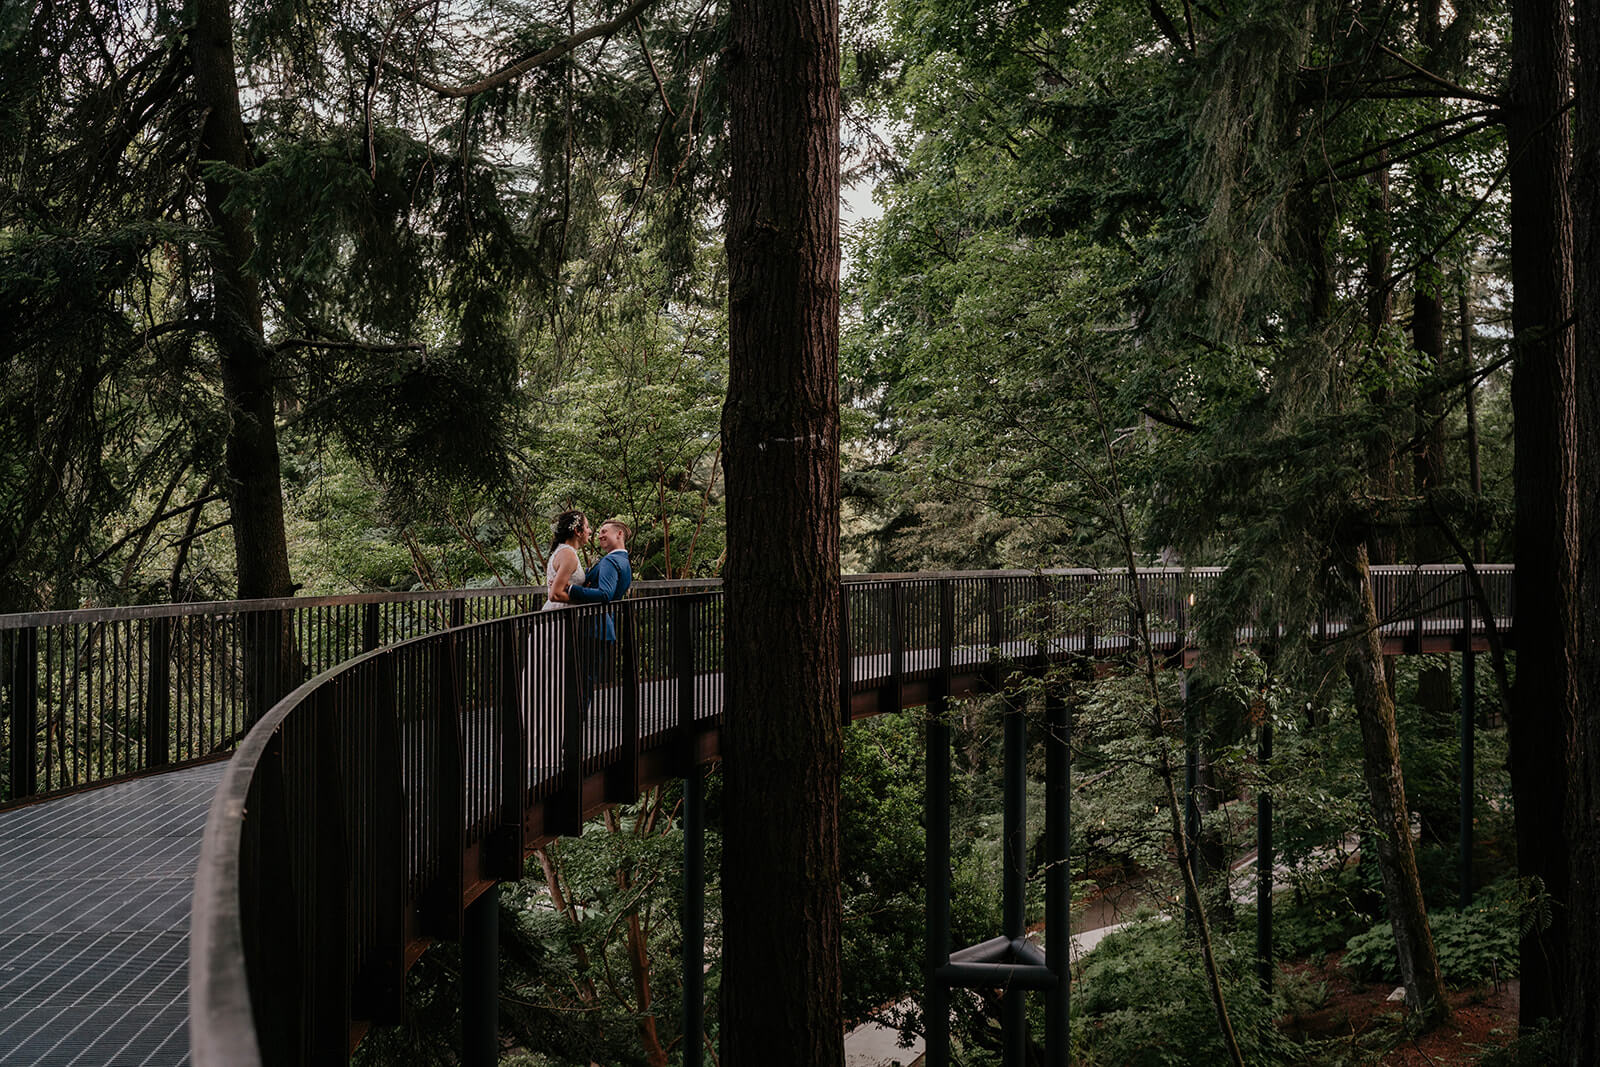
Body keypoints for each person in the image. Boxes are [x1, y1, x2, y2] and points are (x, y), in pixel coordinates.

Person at [564, 519, 633, 709]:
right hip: (601, 627)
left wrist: (570, 590)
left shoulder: (611, 560)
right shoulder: (624, 561)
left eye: (604, 531)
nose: (599, 535)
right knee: (586, 678)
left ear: (619, 534)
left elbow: (605, 594)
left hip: (593, 627)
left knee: (582, 679)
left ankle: (577, 724)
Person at [541, 510, 590, 610]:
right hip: (560, 617)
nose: (590, 531)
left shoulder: (563, 551)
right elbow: (555, 595)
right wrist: (585, 600)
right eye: (587, 527)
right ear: (577, 531)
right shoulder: (568, 555)